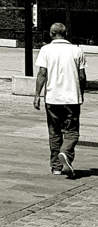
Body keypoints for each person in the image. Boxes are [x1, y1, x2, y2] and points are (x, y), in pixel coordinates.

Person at [33, 22, 88, 177]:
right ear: (66, 33)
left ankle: (56, 166)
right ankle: (66, 152)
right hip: (71, 98)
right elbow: (82, 76)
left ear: (51, 34)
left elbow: (42, 73)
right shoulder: (77, 51)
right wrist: (81, 93)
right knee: (72, 131)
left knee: (54, 131)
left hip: (52, 98)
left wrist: (37, 95)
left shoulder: (46, 50)